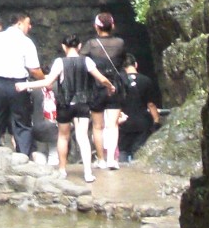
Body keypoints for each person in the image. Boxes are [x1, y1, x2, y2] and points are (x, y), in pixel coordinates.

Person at [29, 36, 112, 181]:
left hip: (64, 104)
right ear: (79, 46)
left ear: (63, 47)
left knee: (63, 136)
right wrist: (110, 86)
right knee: (83, 137)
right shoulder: (87, 61)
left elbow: (48, 81)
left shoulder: (59, 62)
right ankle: (87, 173)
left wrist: (26, 85)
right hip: (82, 104)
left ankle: (62, 170)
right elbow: (102, 79)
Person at [0, 13, 41, 156]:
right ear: (19, 23)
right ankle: (23, 156)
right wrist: (45, 81)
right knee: (22, 123)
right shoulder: (26, 42)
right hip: (18, 86)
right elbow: (34, 69)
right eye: (28, 23)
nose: (30, 26)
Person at [82, 10, 128, 170]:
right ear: (112, 25)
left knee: (97, 126)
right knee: (113, 125)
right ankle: (111, 160)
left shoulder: (91, 44)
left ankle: (100, 159)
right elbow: (122, 61)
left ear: (96, 27)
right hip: (114, 86)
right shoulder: (120, 43)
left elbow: (83, 63)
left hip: (96, 87)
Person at [117, 54, 161, 161]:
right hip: (142, 122)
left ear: (123, 67)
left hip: (124, 122)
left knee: (123, 150)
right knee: (139, 151)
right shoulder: (146, 80)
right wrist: (156, 121)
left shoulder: (119, 81)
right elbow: (151, 104)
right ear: (136, 64)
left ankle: (122, 172)